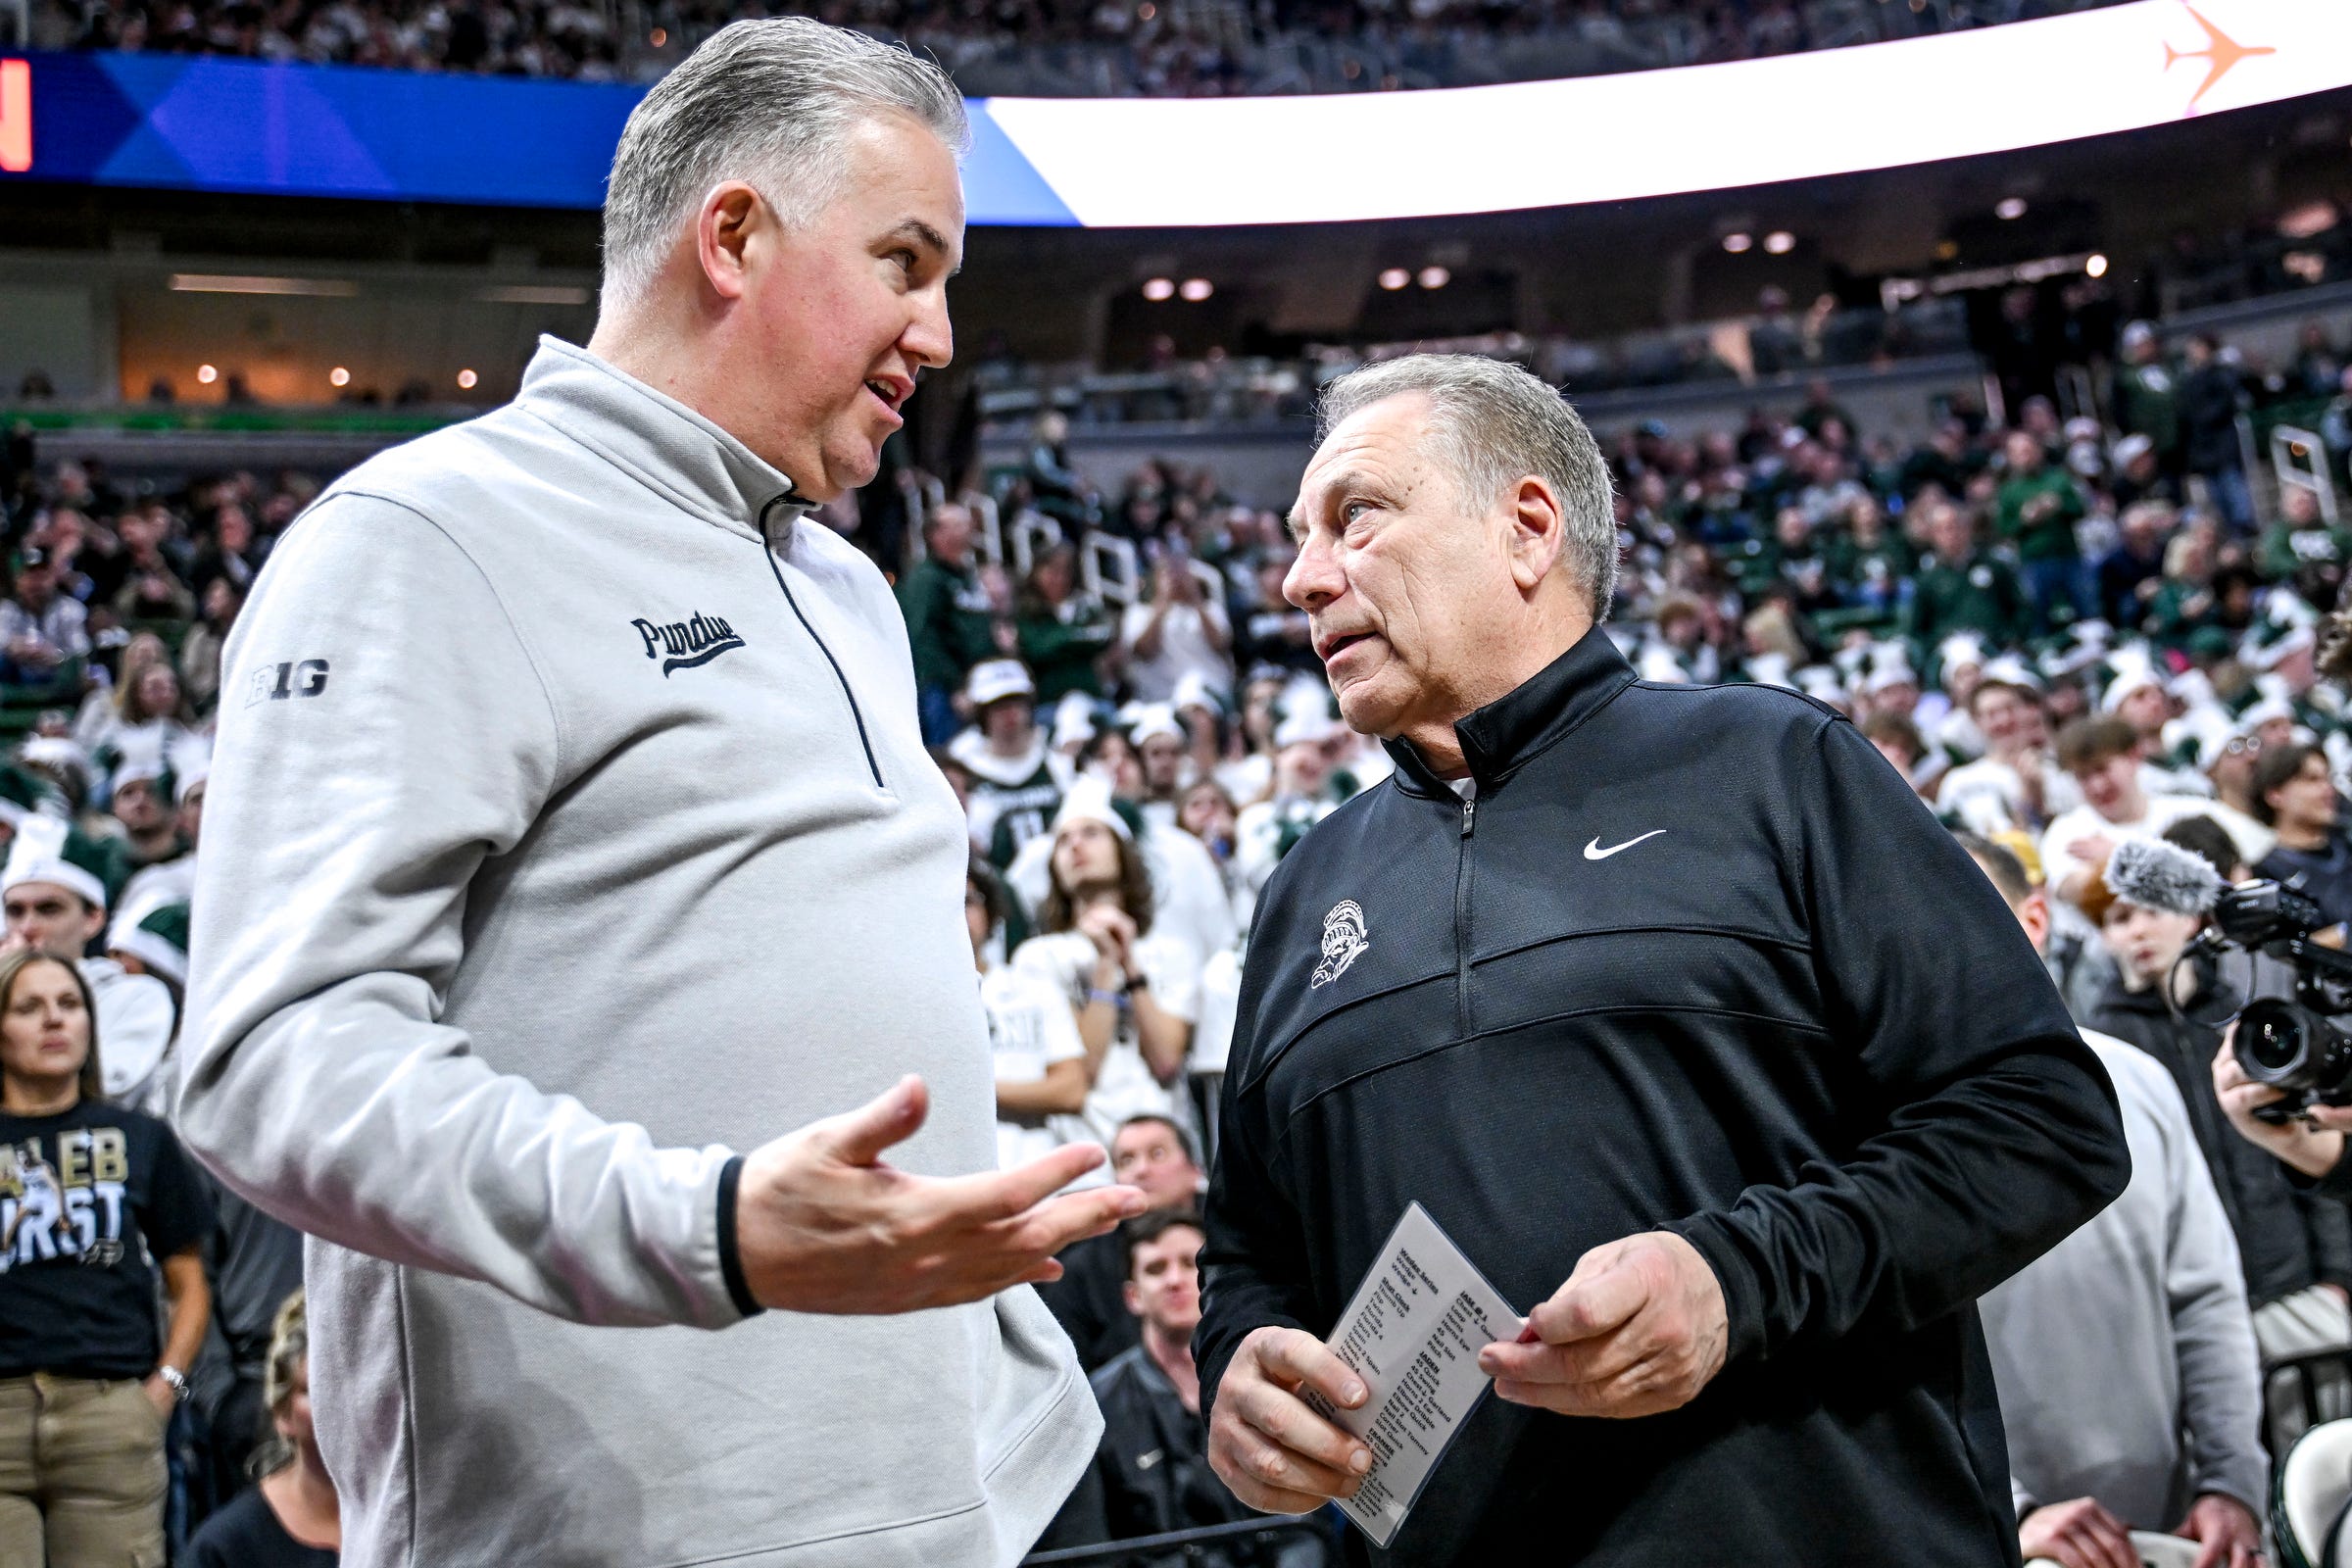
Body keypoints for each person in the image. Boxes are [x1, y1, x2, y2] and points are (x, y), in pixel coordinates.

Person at [178, 24, 1144, 1568]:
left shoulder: (846, 584)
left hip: (955, 1513)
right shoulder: (425, 537)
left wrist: (1008, 1395)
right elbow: (270, 1056)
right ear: (737, 236)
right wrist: (704, 1228)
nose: (943, 332)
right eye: (907, 261)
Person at [1197, 354, 2128, 1563]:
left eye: (1353, 518)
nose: (1300, 577)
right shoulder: (1303, 892)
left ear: (1527, 528)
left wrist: (1737, 1280)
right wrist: (1243, 1374)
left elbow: (2041, 1119)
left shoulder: (1776, 766)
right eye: (1299, 538)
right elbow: (1251, 1255)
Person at [1960, 836, 2265, 1568]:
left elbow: (2207, 1299)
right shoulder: (1863, 1119)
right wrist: (2009, 1506)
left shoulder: (2137, 1080)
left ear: (2034, 922)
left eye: (1963, 912)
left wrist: (2232, 1483)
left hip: (2171, 1523)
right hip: (1990, 1538)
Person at [2082, 847, 2352, 1449]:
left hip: (2297, 1287)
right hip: (2197, 1317)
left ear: (2196, 920)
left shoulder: (2254, 1016)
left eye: (2150, 911)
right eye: (2118, 919)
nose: (2138, 930)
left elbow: (2307, 1135)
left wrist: (2337, 1275)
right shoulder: (2101, 1048)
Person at [0, 947, 213, 1567]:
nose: (54, 1021)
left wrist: (162, 1391)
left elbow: (190, 1283)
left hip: (109, 1413)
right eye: (29, 1007)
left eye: (69, 1005)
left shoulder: (140, 1138)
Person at [1058, 1210, 1305, 1568]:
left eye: (1188, 1263)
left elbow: (1306, 1526)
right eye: (1156, 1269)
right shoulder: (1096, 1407)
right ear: (1133, 1296)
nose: (1174, 1280)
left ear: (1212, 1279)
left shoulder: (1273, 1379)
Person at [1012, 779, 1199, 1149]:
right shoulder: (1037, 957)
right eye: (1063, 841)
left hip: (1164, 1142)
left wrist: (1128, 962)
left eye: (1091, 833)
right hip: (1081, 1148)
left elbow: (1165, 1062)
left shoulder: (1174, 951)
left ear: (1122, 851)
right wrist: (1105, 964)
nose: (1075, 845)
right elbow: (1084, 1070)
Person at [1, 825, 177, 1109]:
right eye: (15, 911)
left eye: (48, 909)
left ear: (93, 918)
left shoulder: (135, 996)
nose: (27, 927)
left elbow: (108, 1091)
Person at [1040, 1113, 1207, 1372]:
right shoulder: (1082, 1267)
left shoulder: (1240, 1239)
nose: (1141, 1170)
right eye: (1126, 1160)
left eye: (1157, 1154)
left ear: (1195, 1169)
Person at [185, 1291, 338, 1568]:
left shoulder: (412, 1524)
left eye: (350, 1387)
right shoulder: (225, 1546)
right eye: (316, 1389)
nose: (338, 1405)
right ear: (282, 1411)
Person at [967, 858, 1093, 1177]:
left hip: (1037, 1177)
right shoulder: (915, 1002)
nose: (956, 912)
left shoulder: (1033, 989)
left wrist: (971, 1089)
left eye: (968, 901)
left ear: (991, 914)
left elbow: (1070, 1089)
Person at [951, 659, 1068, 865]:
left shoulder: (1056, 758)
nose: (1010, 713)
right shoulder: (964, 767)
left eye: (1016, 701)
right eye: (998, 706)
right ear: (981, 712)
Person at [898, 502, 998, 745]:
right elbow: (923, 636)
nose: (967, 529)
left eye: (966, 523)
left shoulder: (967, 576)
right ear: (935, 534)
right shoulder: (926, 578)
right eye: (957, 524)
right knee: (950, 753)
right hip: (943, 688)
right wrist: (954, 686)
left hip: (979, 680)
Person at [2254, 741, 2352, 928]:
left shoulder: (2346, 845)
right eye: (2312, 780)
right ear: (2275, 794)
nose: (2328, 790)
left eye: (2328, 779)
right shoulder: (2268, 874)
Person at [1123, 556, 1233, 705]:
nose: (1176, 580)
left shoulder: (1211, 609)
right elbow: (1145, 652)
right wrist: (1162, 603)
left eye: (1182, 574)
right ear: (1154, 579)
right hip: (1161, 699)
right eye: (1168, 574)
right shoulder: (1139, 612)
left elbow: (1221, 645)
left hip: (1210, 695)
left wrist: (1196, 599)